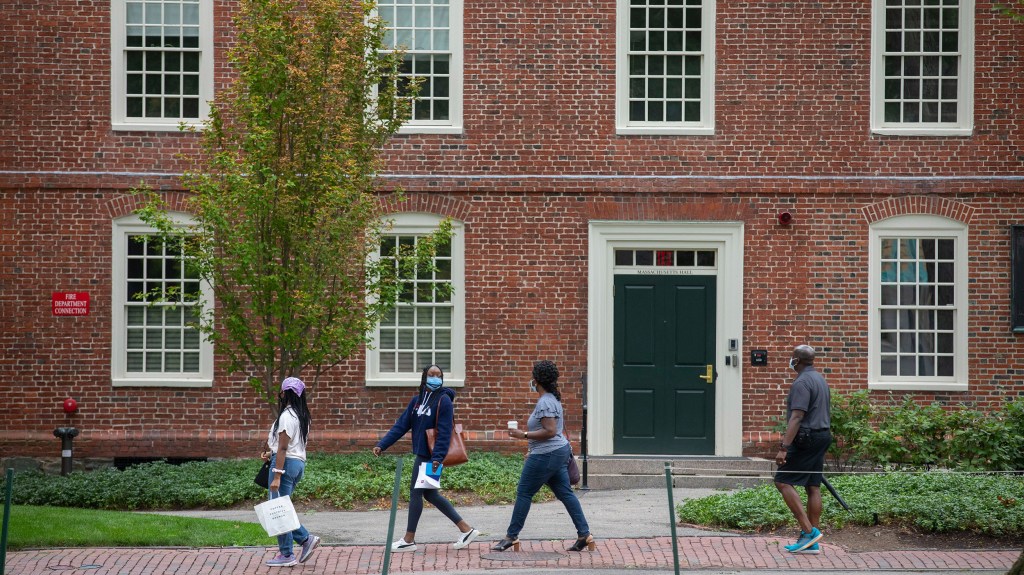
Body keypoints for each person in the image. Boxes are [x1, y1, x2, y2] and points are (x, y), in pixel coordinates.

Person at [372, 365, 480, 552]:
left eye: (439, 375)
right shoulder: (417, 401)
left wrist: (437, 458)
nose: (435, 378)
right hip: (423, 455)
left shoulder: (444, 401)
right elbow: (401, 426)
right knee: (430, 494)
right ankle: (466, 529)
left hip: (432, 458)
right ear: (424, 377)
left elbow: (445, 433)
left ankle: (409, 539)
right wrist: (383, 444)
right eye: (431, 375)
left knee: (416, 493)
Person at [492, 360, 594, 553]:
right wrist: (532, 446)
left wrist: (523, 435)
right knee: (565, 493)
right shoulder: (552, 399)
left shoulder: (545, 401)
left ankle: (511, 536)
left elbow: (549, 431)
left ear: (536, 380)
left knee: (524, 492)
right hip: (555, 453)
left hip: (547, 454)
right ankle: (585, 535)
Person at [774, 345, 832, 555]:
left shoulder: (802, 382)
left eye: (792, 358)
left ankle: (809, 532)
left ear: (796, 361)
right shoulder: (820, 379)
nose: (791, 361)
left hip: (807, 438)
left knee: (782, 480)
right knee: (812, 485)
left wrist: (784, 448)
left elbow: (797, 416)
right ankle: (811, 543)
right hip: (823, 435)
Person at [263, 376, 320, 567]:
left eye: (281, 391)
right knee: (282, 509)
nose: (279, 394)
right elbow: (284, 446)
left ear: (286, 393)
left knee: (278, 511)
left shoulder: (287, 416)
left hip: (285, 465)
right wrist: (270, 454)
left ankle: (294, 548)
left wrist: (277, 474)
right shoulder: (301, 415)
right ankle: (294, 547)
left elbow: (284, 448)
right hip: (297, 464)